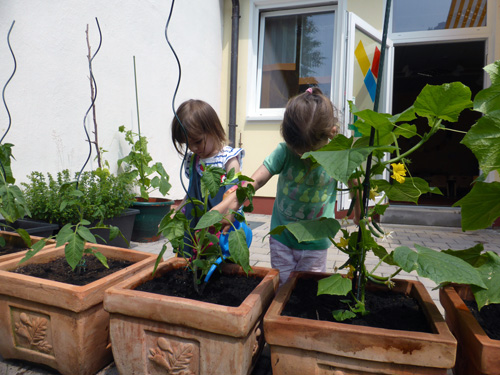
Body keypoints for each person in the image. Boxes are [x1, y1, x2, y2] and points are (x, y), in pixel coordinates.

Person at [214, 87, 359, 286]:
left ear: (331, 134)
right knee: (282, 286)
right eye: (296, 149)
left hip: (316, 241)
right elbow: (256, 180)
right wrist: (234, 204)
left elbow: (356, 184)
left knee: (307, 288)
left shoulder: (339, 155)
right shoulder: (284, 151)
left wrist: (360, 214)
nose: (301, 156)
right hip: (282, 237)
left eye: (309, 152)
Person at [171, 99, 244, 229]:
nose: (193, 148)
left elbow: (236, 194)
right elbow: (191, 194)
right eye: (188, 144)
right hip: (197, 225)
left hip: (221, 224)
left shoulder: (228, 159)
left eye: (198, 142)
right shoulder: (193, 161)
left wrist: (231, 217)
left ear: (213, 129)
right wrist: (178, 211)